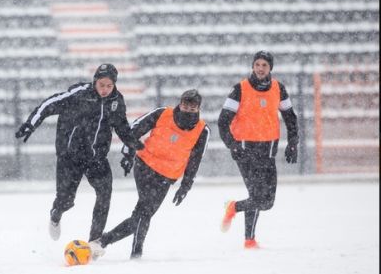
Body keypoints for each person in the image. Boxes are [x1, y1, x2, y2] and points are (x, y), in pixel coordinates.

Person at [15, 63, 144, 242]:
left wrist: (132, 149)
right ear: (94, 82)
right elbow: (50, 104)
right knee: (66, 200)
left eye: (109, 85)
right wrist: (32, 123)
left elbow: (122, 127)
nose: (105, 89)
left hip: (96, 158)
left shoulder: (116, 101)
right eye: (101, 85)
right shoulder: (80, 94)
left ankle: (94, 240)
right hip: (70, 157)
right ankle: (56, 214)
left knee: (104, 194)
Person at [89, 89, 210, 260]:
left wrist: (185, 186)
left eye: (192, 108)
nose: (188, 110)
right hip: (145, 165)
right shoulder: (163, 113)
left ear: (198, 108)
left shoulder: (202, 131)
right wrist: (128, 154)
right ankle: (133, 252)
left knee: (142, 214)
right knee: (144, 212)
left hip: (167, 176)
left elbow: (194, 162)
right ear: (180, 103)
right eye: (185, 106)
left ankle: (103, 242)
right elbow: (136, 129)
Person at [217, 51, 298, 249]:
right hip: (245, 149)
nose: (260, 68)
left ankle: (234, 207)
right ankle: (249, 240)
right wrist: (232, 144)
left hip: (268, 149)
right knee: (256, 196)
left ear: (270, 68)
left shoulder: (279, 88)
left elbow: (290, 117)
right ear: (253, 66)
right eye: (257, 64)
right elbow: (223, 121)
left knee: (267, 201)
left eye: (264, 65)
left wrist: (293, 142)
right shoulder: (240, 89)